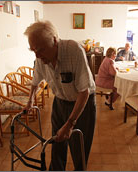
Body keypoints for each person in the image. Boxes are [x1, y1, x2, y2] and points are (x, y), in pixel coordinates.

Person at [24, 20, 96, 171]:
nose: (37, 55)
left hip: (83, 103)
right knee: (56, 144)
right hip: (60, 103)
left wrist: (70, 124)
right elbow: (35, 81)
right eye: (33, 50)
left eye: (41, 50)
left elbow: (84, 92)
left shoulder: (74, 50)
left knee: (79, 149)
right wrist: (30, 100)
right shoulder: (40, 58)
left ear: (55, 40)